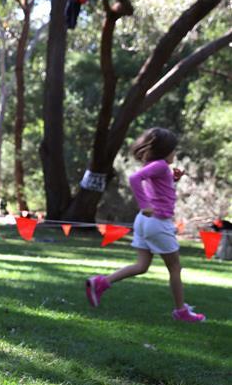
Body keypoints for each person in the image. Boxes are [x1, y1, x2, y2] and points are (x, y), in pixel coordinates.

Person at [86, 128, 205, 322]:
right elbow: (134, 179)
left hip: (144, 221)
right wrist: (144, 204)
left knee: (142, 265)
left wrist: (173, 178)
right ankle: (181, 311)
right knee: (175, 268)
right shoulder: (159, 165)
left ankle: (100, 283)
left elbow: (159, 188)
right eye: (173, 150)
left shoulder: (158, 166)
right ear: (164, 150)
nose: (175, 154)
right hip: (157, 222)